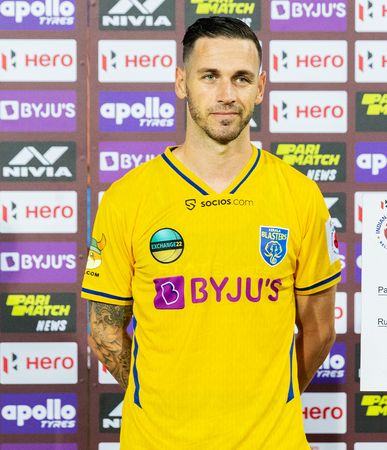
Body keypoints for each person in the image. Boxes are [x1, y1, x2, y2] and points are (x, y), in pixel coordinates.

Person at [82, 16, 341, 449]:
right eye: (209, 76)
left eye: (241, 78)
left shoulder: (300, 195)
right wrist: (159, 396)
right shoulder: (127, 198)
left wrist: (269, 402)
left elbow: (319, 331)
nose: (226, 95)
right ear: (181, 82)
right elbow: (104, 331)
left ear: (260, 87)